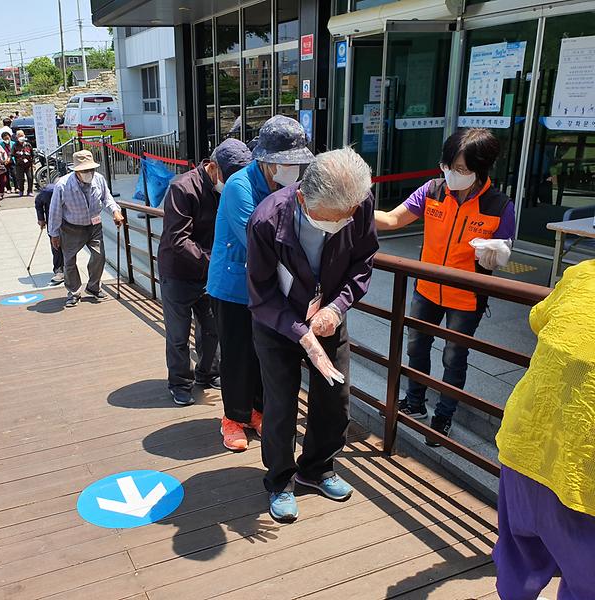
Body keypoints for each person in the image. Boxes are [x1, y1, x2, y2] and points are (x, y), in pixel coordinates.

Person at [247, 148, 378, 522]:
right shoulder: (267, 220)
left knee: (336, 395)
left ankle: (317, 468)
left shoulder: (357, 202)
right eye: (332, 218)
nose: (342, 222)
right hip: (278, 323)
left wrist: (337, 307)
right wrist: (302, 334)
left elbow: (363, 261)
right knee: (280, 403)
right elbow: (261, 294)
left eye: (347, 216)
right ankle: (280, 481)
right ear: (304, 198)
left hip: (328, 317)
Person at [374, 128, 515, 444]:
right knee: (415, 347)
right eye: (448, 166)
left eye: (461, 169)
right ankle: (415, 402)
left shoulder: (499, 206)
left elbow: (503, 250)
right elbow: (394, 219)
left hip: (466, 298)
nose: (452, 174)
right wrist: (350, 212)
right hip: (426, 289)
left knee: (454, 357)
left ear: (480, 168)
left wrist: (497, 255)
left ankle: (443, 417)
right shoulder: (433, 191)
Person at [207, 114, 314, 452]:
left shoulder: (287, 184)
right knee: (237, 354)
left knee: (261, 354)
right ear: (268, 160)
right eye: (287, 162)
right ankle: (232, 418)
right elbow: (258, 240)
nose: (293, 168)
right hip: (234, 286)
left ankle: (257, 411)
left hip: (268, 287)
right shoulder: (239, 186)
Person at [493, 259, 595, 598]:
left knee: (518, 562)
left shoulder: (582, 273)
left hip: (526, 442)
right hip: (583, 475)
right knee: (587, 580)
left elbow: (539, 318)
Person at [157, 138, 252, 407]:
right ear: (212, 166)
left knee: (212, 329)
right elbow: (178, 239)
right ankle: (179, 382)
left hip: (210, 272)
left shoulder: (232, 188)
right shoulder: (182, 187)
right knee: (178, 334)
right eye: (228, 176)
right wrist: (215, 262)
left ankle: (207, 372)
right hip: (178, 272)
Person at [47, 150, 125, 307]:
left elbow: (107, 197)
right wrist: (54, 234)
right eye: (84, 170)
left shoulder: (99, 179)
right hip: (71, 228)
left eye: (91, 169)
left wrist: (115, 211)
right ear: (76, 171)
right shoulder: (63, 185)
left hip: (94, 226)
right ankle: (74, 292)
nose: (89, 172)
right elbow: (55, 211)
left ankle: (93, 286)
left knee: (99, 256)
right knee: (69, 261)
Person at [35, 184, 64, 285]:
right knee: (56, 246)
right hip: (53, 222)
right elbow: (38, 201)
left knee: (69, 246)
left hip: (70, 221)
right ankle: (59, 270)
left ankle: (69, 269)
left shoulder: (74, 189)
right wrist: (41, 218)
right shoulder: (48, 192)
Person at [13, 130, 35, 196]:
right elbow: (12, 154)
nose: (21, 137)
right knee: (20, 179)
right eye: (19, 136)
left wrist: (33, 163)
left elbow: (32, 154)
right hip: (19, 165)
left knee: (30, 178)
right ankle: (21, 190)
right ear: (17, 137)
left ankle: (30, 191)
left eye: (22, 135)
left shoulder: (28, 144)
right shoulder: (15, 145)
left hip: (28, 164)